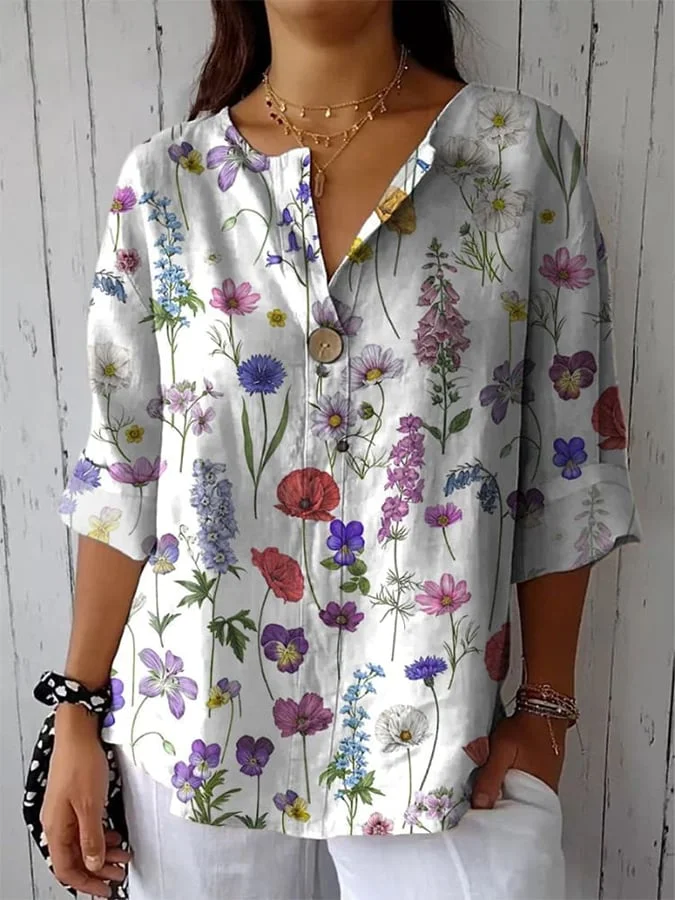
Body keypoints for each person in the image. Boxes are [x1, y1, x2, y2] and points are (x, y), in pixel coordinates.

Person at [38, 1, 641, 898]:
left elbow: (569, 458)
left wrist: (545, 711)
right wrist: (77, 715)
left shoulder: (518, 156)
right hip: (194, 731)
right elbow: (123, 469)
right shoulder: (168, 181)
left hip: (447, 739)